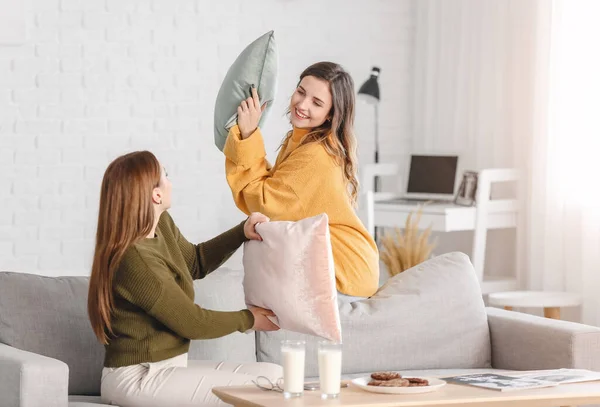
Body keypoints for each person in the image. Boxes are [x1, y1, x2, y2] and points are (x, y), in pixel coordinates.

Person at [87, 151, 281, 407]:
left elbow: (195, 262)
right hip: (138, 377)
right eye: (165, 175)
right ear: (155, 194)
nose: (170, 182)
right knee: (260, 394)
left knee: (274, 376)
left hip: (169, 367)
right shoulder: (134, 259)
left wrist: (241, 232)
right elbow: (192, 322)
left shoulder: (160, 225)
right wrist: (249, 318)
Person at [224, 61, 379, 297]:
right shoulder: (301, 139)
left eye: (317, 103)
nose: (302, 104)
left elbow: (266, 203)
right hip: (335, 260)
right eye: (301, 91)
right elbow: (276, 187)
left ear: (330, 115)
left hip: (345, 268)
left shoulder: (316, 155)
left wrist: (248, 136)